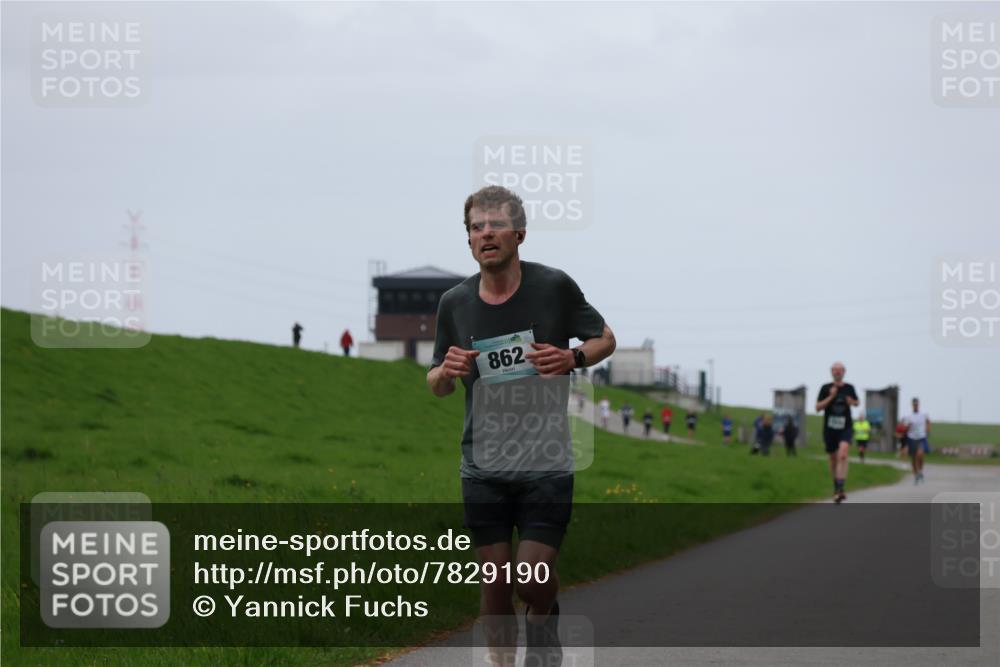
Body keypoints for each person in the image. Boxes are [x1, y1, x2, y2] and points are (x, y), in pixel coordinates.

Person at [426, 185, 616, 667]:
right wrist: (445, 373)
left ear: (520, 233)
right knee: (493, 583)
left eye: (495, 225)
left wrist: (571, 356)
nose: (485, 234)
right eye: (476, 227)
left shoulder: (553, 287)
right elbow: (437, 382)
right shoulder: (454, 302)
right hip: (483, 463)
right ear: (468, 240)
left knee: (530, 580)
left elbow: (605, 338)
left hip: (545, 463)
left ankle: (544, 613)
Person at [816, 361, 860, 503]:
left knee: (843, 454)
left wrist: (851, 402)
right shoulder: (825, 388)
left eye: (839, 370)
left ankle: (841, 487)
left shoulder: (849, 387)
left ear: (844, 372)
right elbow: (818, 407)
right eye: (834, 370)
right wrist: (831, 396)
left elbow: (857, 402)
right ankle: (836, 488)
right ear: (831, 372)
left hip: (845, 427)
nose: (837, 372)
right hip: (829, 429)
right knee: (833, 458)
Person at [900, 397, 931, 484]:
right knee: (913, 458)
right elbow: (904, 428)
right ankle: (916, 475)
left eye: (917, 404)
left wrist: (928, 430)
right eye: (914, 404)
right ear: (912, 405)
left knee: (920, 454)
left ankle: (920, 470)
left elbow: (928, 422)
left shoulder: (924, 414)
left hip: (921, 437)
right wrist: (907, 427)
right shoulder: (908, 416)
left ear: (919, 404)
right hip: (911, 438)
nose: (916, 406)